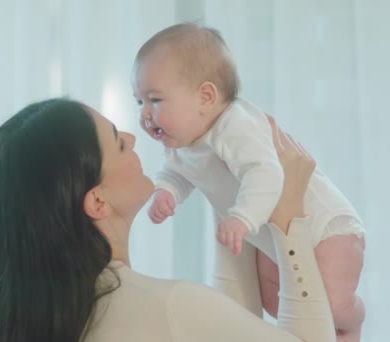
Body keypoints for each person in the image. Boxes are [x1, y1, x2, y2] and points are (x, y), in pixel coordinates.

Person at [0, 97, 336, 342]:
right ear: (97, 200)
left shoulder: (62, 321)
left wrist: (235, 204)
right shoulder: (168, 306)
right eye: (118, 142)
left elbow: (231, 323)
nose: (132, 137)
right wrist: (288, 218)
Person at [132, 23, 365, 341]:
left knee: (334, 305)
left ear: (206, 96)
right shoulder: (183, 143)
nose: (144, 114)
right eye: (139, 103)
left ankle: (355, 316)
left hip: (327, 228)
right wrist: (165, 192)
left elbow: (265, 173)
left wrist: (241, 217)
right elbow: (176, 173)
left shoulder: (235, 126)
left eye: (154, 100)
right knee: (274, 301)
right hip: (271, 237)